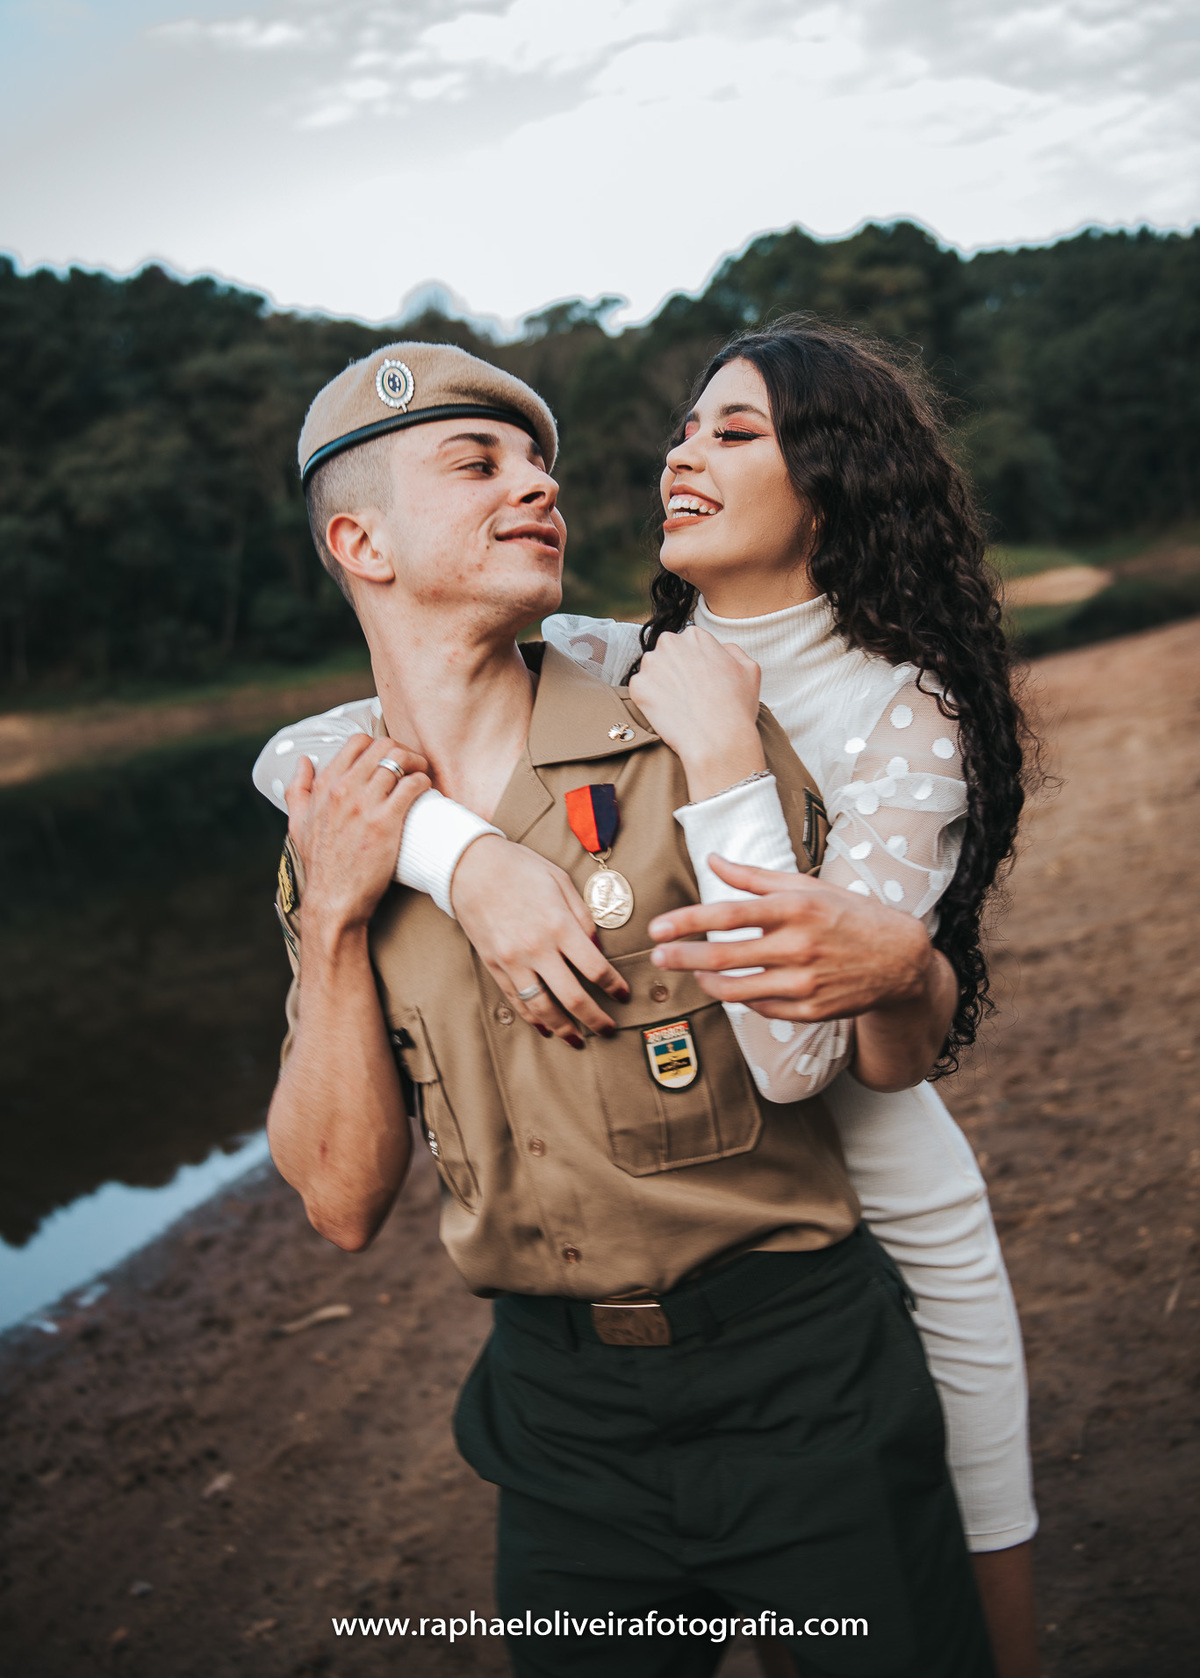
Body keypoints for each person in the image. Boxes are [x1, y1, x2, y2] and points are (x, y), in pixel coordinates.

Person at [257, 321, 1040, 1677]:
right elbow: (308, 746)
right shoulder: (591, 674)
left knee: (979, 1576)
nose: (552, 482)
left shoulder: (789, 727)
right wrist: (460, 861)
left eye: (734, 434)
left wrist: (740, 768)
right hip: (570, 1406)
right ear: (361, 546)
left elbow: (836, 1047)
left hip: (838, 1262)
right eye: (476, 461)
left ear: (830, 486)